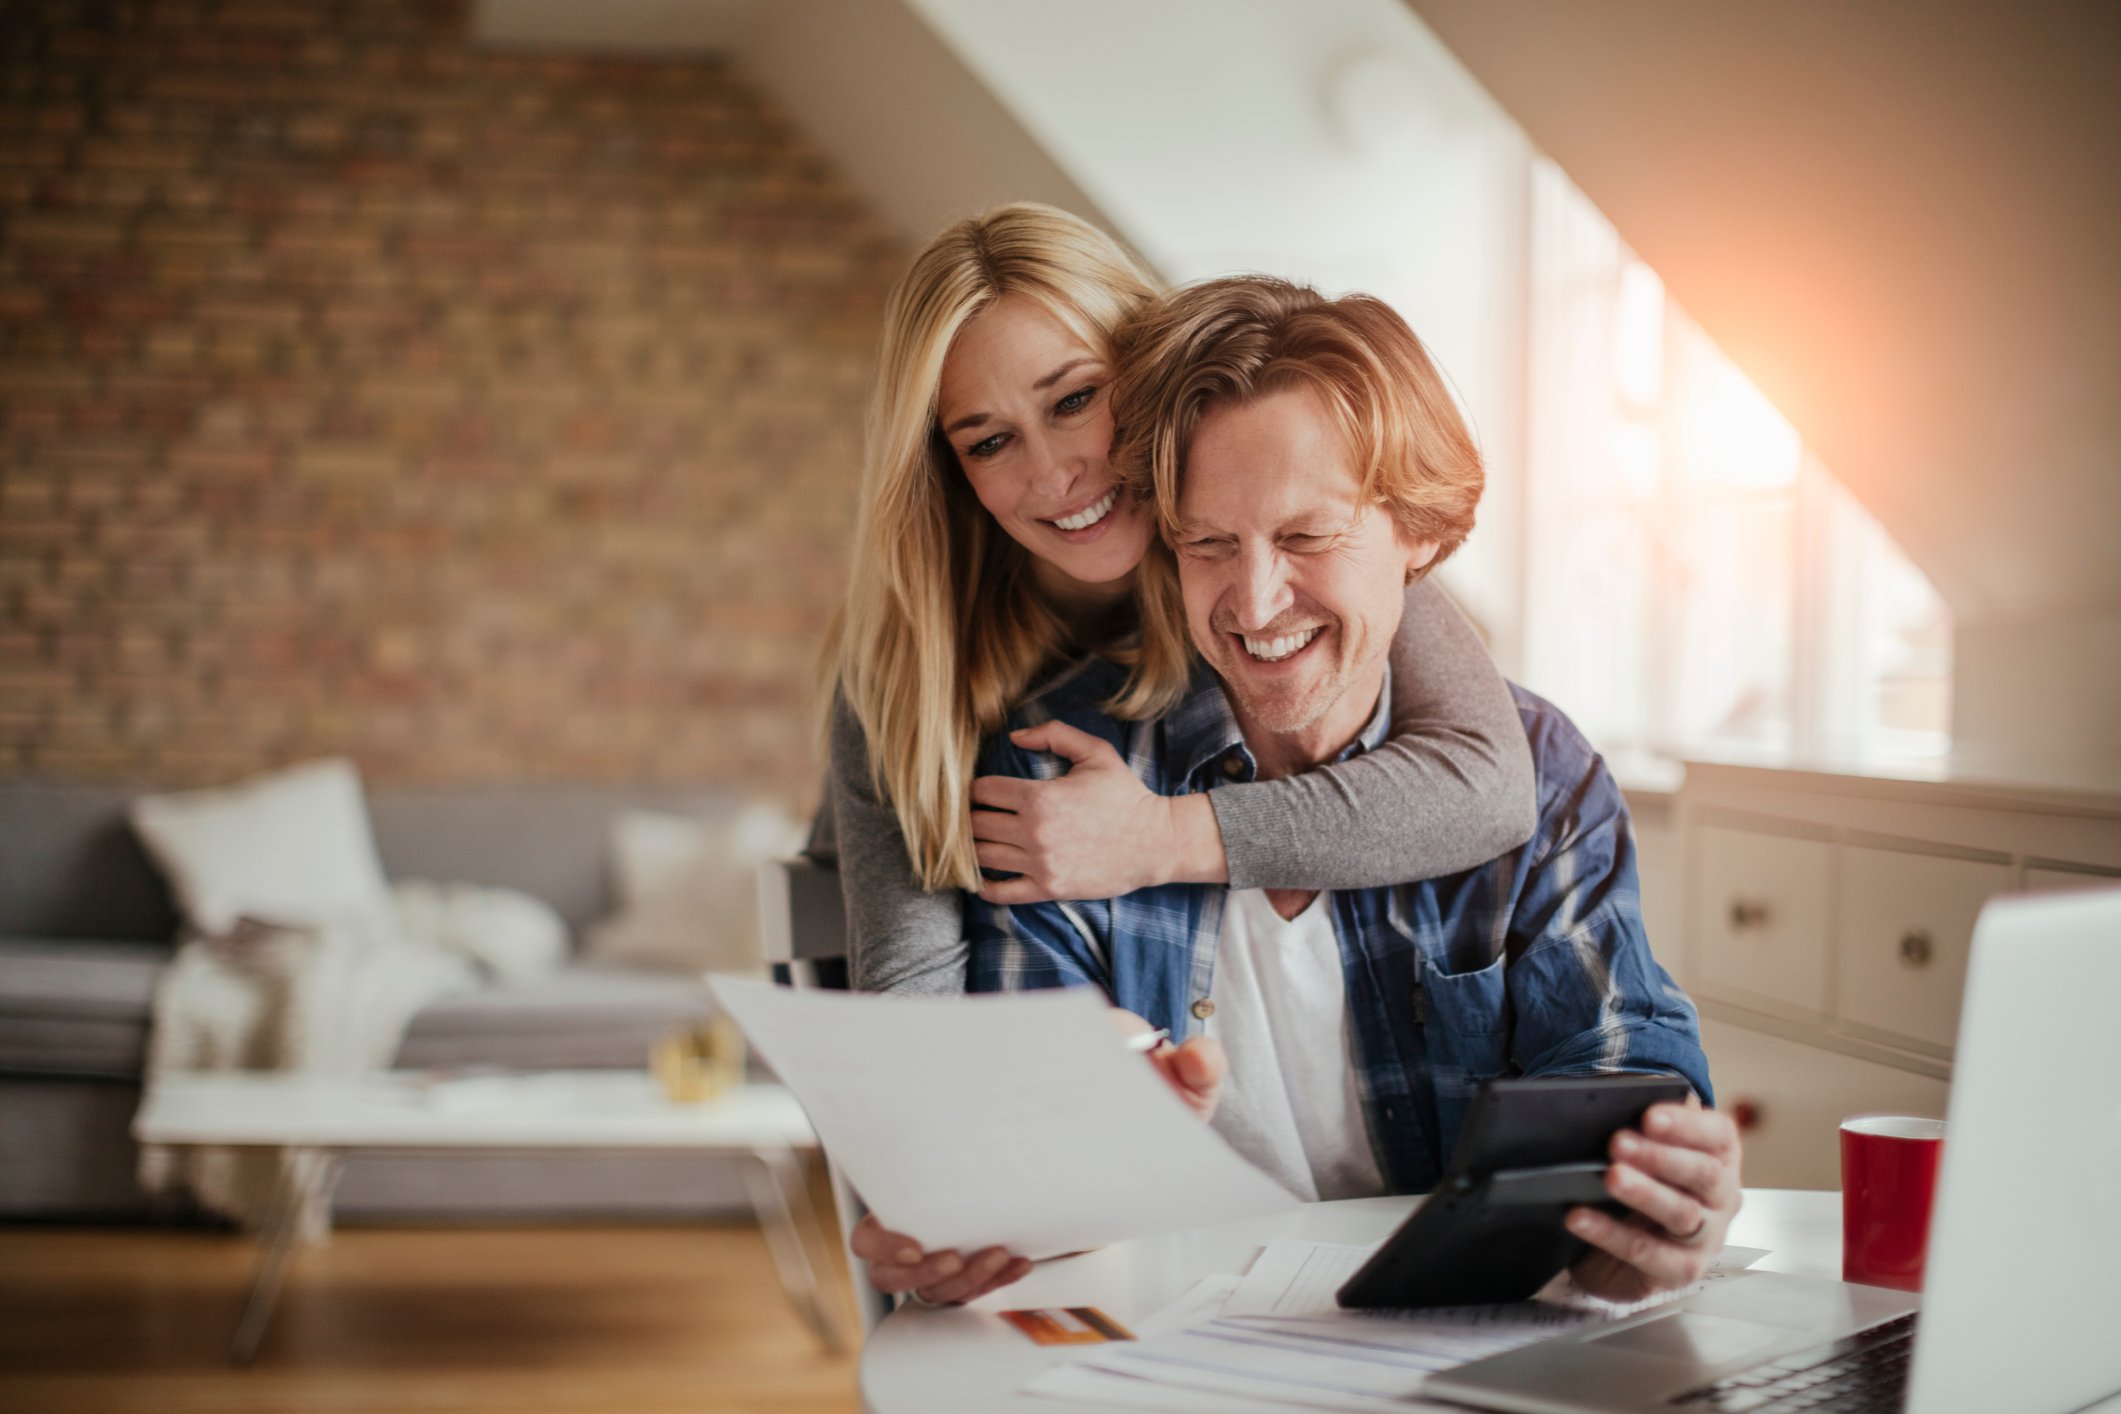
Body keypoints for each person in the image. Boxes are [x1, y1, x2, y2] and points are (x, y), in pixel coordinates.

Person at [960, 276, 1740, 1306]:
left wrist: (1656, 1196)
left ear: (1418, 532)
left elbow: (1620, 1059)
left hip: (1450, 1345)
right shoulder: (1057, 778)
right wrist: (1068, 1157)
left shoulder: (1542, 774)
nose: (1256, 599)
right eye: (1209, 544)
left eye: (1306, 535)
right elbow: (1021, 1184)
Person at [820, 206, 1543, 1305]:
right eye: (988, 440)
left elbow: (1488, 782)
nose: (1058, 473)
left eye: (1074, 400)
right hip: (921, 927)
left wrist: (1162, 836)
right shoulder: (911, 677)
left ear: (1151, 374)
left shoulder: (1274, 541)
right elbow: (916, 1016)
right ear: (948, 465)